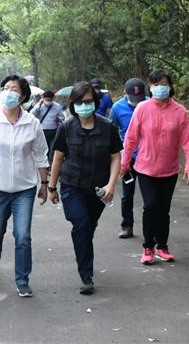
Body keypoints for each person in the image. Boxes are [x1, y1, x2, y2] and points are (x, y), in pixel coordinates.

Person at [0, 75, 49, 298]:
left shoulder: (32, 123)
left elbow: (41, 154)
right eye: (5, 88)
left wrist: (44, 183)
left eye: (14, 89)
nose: (8, 92)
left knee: (22, 235)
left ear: (23, 96)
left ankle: (22, 279)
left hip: (24, 190)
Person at [48, 81, 122, 295]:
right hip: (72, 186)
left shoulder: (107, 127)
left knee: (88, 227)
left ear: (95, 102)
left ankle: (84, 254)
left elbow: (115, 157)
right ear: (72, 104)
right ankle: (86, 275)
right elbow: (58, 157)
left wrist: (111, 184)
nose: (84, 105)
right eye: (79, 102)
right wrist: (52, 187)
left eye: (88, 101)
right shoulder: (66, 128)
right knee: (81, 224)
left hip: (98, 189)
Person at [121, 68, 189, 265]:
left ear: (170, 86)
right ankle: (148, 246)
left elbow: (188, 141)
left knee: (164, 209)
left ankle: (162, 246)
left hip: (169, 169)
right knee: (151, 205)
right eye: (155, 85)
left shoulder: (180, 112)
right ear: (150, 88)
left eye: (163, 84)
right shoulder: (142, 109)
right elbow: (130, 138)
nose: (160, 88)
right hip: (145, 168)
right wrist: (124, 162)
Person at [109, 78, 148, 238]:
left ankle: (150, 230)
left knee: (149, 198)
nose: (136, 103)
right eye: (133, 100)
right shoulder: (117, 108)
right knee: (127, 194)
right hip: (128, 158)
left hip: (147, 158)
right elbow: (111, 131)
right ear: (126, 94)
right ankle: (127, 225)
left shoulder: (150, 104)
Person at [30, 90, 64, 169]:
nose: (48, 101)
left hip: (54, 131)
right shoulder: (39, 105)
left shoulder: (57, 106)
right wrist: (39, 104)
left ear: (53, 99)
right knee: (43, 149)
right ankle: (43, 165)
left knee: (52, 149)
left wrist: (59, 119)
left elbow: (62, 117)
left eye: (50, 100)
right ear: (43, 98)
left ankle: (51, 166)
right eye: (47, 100)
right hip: (42, 131)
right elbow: (32, 114)